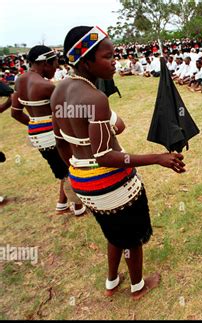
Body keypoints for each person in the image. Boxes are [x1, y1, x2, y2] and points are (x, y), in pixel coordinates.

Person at [52, 26, 186, 300]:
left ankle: (112, 281)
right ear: (86, 60)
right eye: (108, 56)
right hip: (111, 185)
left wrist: (78, 171)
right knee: (132, 238)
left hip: (82, 181)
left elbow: (60, 142)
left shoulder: (59, 91)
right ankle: (138, 286)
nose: (115, 61)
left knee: (113, 231)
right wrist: (159, 158)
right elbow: (105, 156)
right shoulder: (95, 98)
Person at [10, 46, 86, 216]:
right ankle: (78, 206)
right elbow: (66, 114)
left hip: (37, 136)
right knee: (71, 166)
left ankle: (62, 203)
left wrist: (35, 124)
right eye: (55, 64)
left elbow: (15, 113)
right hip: (52, 134)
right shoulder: (46, 86)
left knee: (61, 167)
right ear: (45, 63)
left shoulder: (19, 81)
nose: (56, 68)